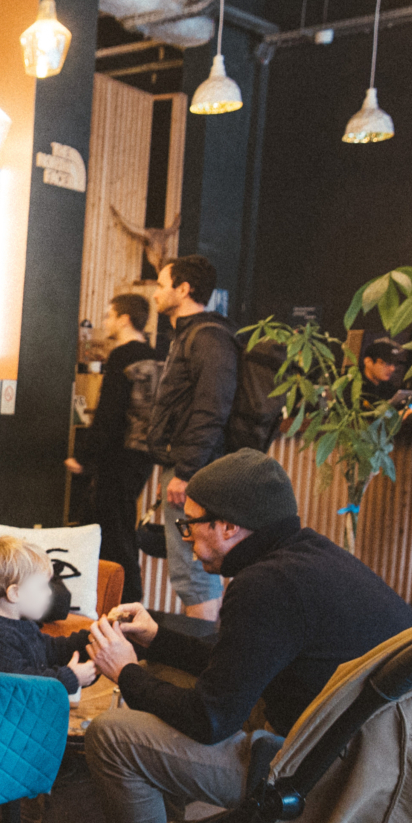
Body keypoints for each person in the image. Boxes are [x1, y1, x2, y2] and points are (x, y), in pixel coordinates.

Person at [21, 450, 412, 823]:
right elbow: (236, 665)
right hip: (376, 758)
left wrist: (125, 672)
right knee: (165, 673)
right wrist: (156, 639)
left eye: (189, 524)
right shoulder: (307, 558)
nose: (185, 537)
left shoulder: (266, 584)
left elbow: (211, 719)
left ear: (227, 526)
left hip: (329, 776)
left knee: (112, 735)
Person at [143, 254, 240, 621]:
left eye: (162, 284)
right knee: (190, 563)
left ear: (183, 289)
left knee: (192, 564)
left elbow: (211, 408)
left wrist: (185, 471)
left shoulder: (208, 337)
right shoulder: (192, 334)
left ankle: (201, 656)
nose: (155, 293)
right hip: (189, 466)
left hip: (197, 469)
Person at [67, 294, 160, 580]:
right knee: (119, 526)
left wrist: (83, 456)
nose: (106, 321)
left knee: (109, 532)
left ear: (124, 319)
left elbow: (109, 413)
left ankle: (122, 595)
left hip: (118, 456)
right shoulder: (157, 356)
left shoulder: (122, 356)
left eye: (110, 315)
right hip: (144, 456)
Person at [0, 533, 95, 694]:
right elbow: (21, 688)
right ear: (15, 593)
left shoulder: (20, 624)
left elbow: (52, 649)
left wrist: (93, 636)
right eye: (43, 586)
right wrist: (71, 678)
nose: (49, 593)